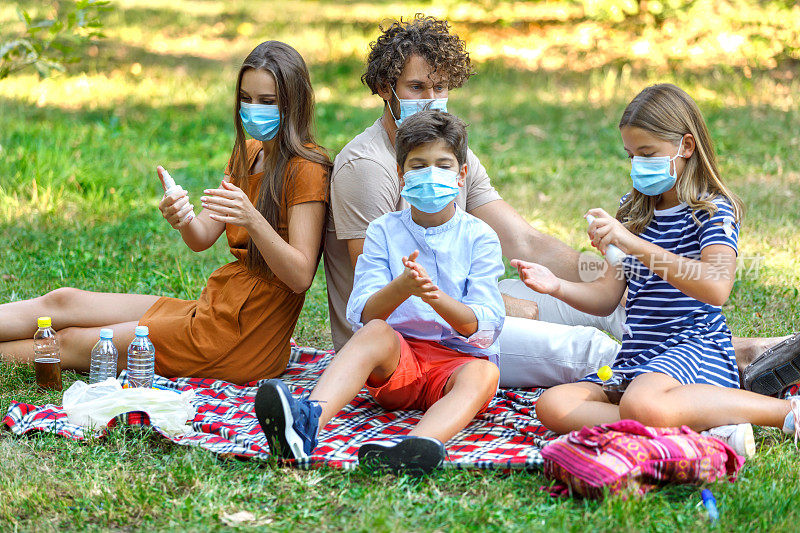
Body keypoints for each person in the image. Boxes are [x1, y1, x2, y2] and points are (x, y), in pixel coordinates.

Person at [323, 13, 798, 392]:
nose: (432, 100)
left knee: (616, 303)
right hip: (417, 342)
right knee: (590, 346)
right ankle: (719, 378)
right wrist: (505, 305)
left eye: (441, 87)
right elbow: (384, 292)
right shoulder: (367, 167)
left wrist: (608, 272)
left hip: (469, 307)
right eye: (417, 88)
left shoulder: (448, 153)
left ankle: (737, 352)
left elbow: (522, 238)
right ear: (386, 89)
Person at [0, 41, 331, 385]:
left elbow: (300, 276)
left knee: (72, 341)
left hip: (244, 338)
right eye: (246, 98)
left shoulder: (306, 167)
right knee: (63, 301)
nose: (252, 109)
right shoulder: (250, 152)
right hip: (216, 308)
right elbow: (201, 237)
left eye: (267, 101)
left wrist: (252, 219)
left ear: (293, 104)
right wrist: (183, 218)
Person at [513, 84, 800, 455]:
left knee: (640, 405)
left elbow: (716, 287)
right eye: (631, 155)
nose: (637, 165)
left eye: (647, 154)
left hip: (695, 348)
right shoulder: (633, 212)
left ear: (686, 146)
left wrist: (632, 244)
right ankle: (698, 428)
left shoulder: (713, 210)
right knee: (554, 405)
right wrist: (555, 287)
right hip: (640, 356)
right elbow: (606, 297)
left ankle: (785, 412)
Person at [255, 110, 504, 474]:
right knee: (375, 331)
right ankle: (307, 422)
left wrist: (435, 297)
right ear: (401, 175)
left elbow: (482, 325)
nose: (430, 174)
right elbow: (362, 314)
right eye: (418, 165)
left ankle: (416, 446)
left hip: (455, 363)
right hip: (398, 363)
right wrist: (403, 287)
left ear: (462, 174)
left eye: (442, 164)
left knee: (484, 375)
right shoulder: (383, 231)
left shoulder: (480, 237)